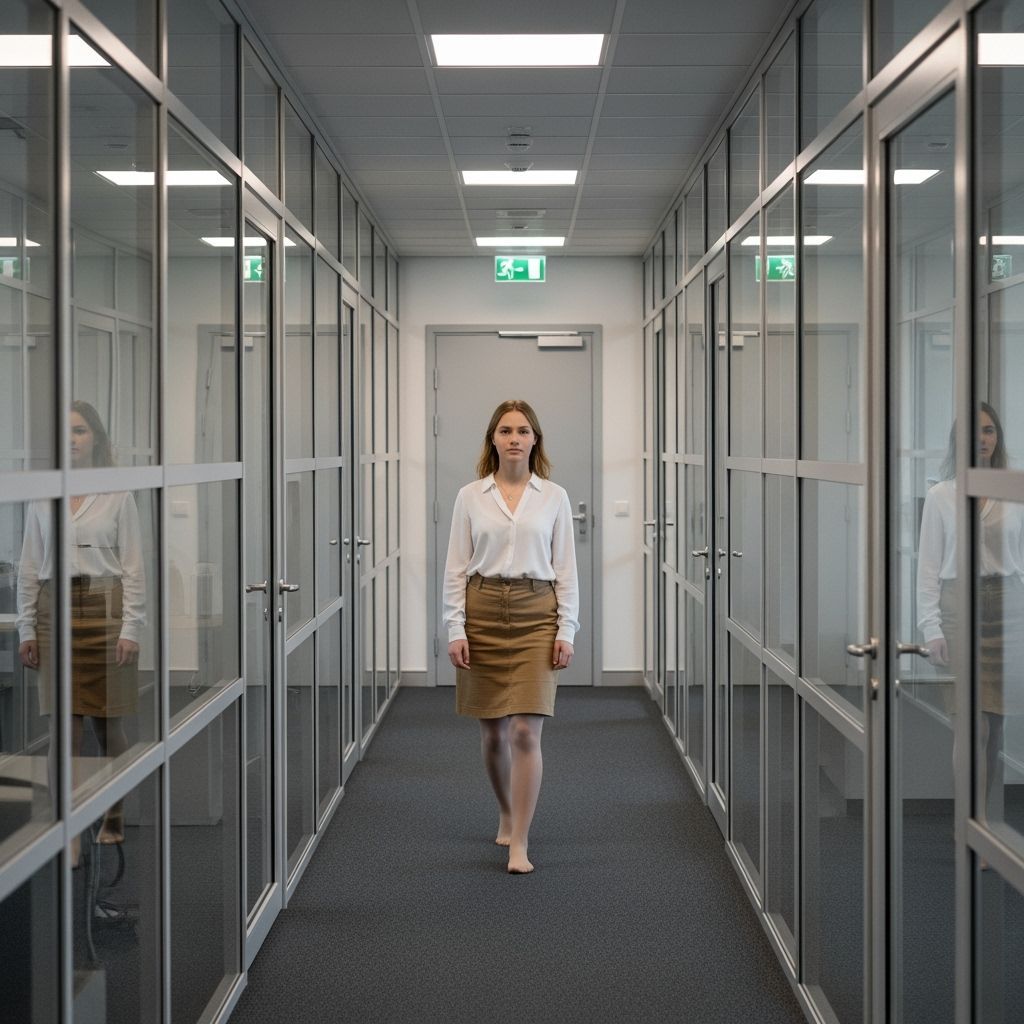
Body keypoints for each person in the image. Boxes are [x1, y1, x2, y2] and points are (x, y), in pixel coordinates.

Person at [443, 399, 579, 874]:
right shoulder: (470, 496)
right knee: (493, 733)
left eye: (523, 430)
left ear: (535, 439)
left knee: (525, 729)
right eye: (505, 431)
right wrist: (454, 627)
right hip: (482, 610)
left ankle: (520, 839)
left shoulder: (554, 496)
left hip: (535, 612)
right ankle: (505, 807)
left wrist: (567, 629)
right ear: (493, 440)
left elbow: (566, 571)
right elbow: (455, 569)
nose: (515, 438)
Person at [16, 400, 145, 851]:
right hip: (54, 610)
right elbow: (29, 566)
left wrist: (132, 628)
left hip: (104, 608)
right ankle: (65, 823)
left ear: (96, 438)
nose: (71, 438)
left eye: (80, 430)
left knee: (108, 726)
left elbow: (133, 569)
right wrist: (25, 629)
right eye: (64, 431)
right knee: (63, 728)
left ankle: (114, 813)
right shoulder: (41, 493)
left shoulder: (118, 493)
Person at [917, 401, 1024, 821]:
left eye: (990, 431)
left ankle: (984, 823)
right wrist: (931, 628)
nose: (982, 439)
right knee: (970, 724)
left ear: (998, 438)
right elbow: (928, 569)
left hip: (1009, 609)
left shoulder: (1014, 489)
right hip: (958, 608)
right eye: (974, 432)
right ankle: (968, 823)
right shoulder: (941, 495)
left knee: (996, 727)